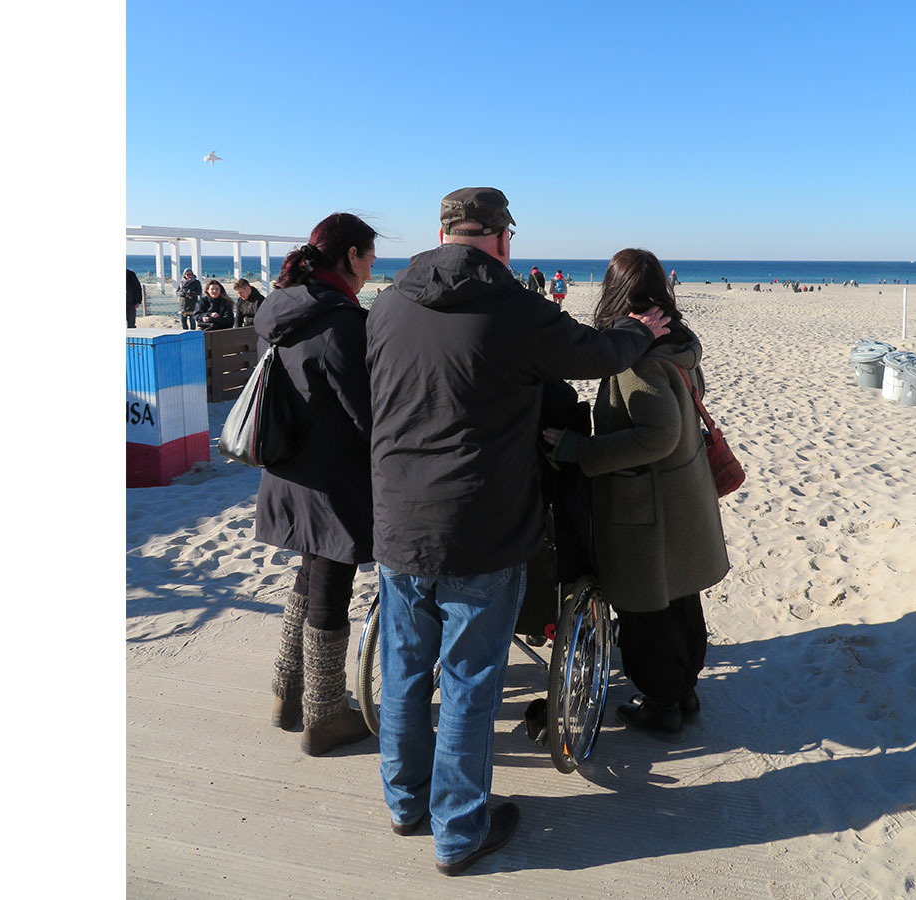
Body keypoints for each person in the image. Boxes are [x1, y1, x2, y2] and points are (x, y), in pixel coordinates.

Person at [365, 187, 670, 875]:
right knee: (471, 680)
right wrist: (641, 334)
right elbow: (596, 354)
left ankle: (405, 803)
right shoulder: (515, 307)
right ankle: (458, 831)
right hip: (480, 527)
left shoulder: (386, 304)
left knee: (406, 671)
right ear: (503, 239)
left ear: (439, 234)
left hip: (397, 522)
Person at [544, 248, 729, 741]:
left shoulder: (637, 357)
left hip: (645, 504)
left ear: (615, 292)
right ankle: (682, 692)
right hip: (682, 494)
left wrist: (580, 449)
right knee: (680, 597)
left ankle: (662, 703)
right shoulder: (680, 341)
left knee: (647, 610)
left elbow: (657, 435)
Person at [255, 212, 379, 757]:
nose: (373, 264)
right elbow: (366, 411)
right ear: (351, 255)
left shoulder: (281, 308)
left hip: (288, 467)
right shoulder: (338, 320)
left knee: (308, 576)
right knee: (331, 583)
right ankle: (325, 716)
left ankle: (288, 693)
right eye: (370, 254)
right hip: (332, 478)